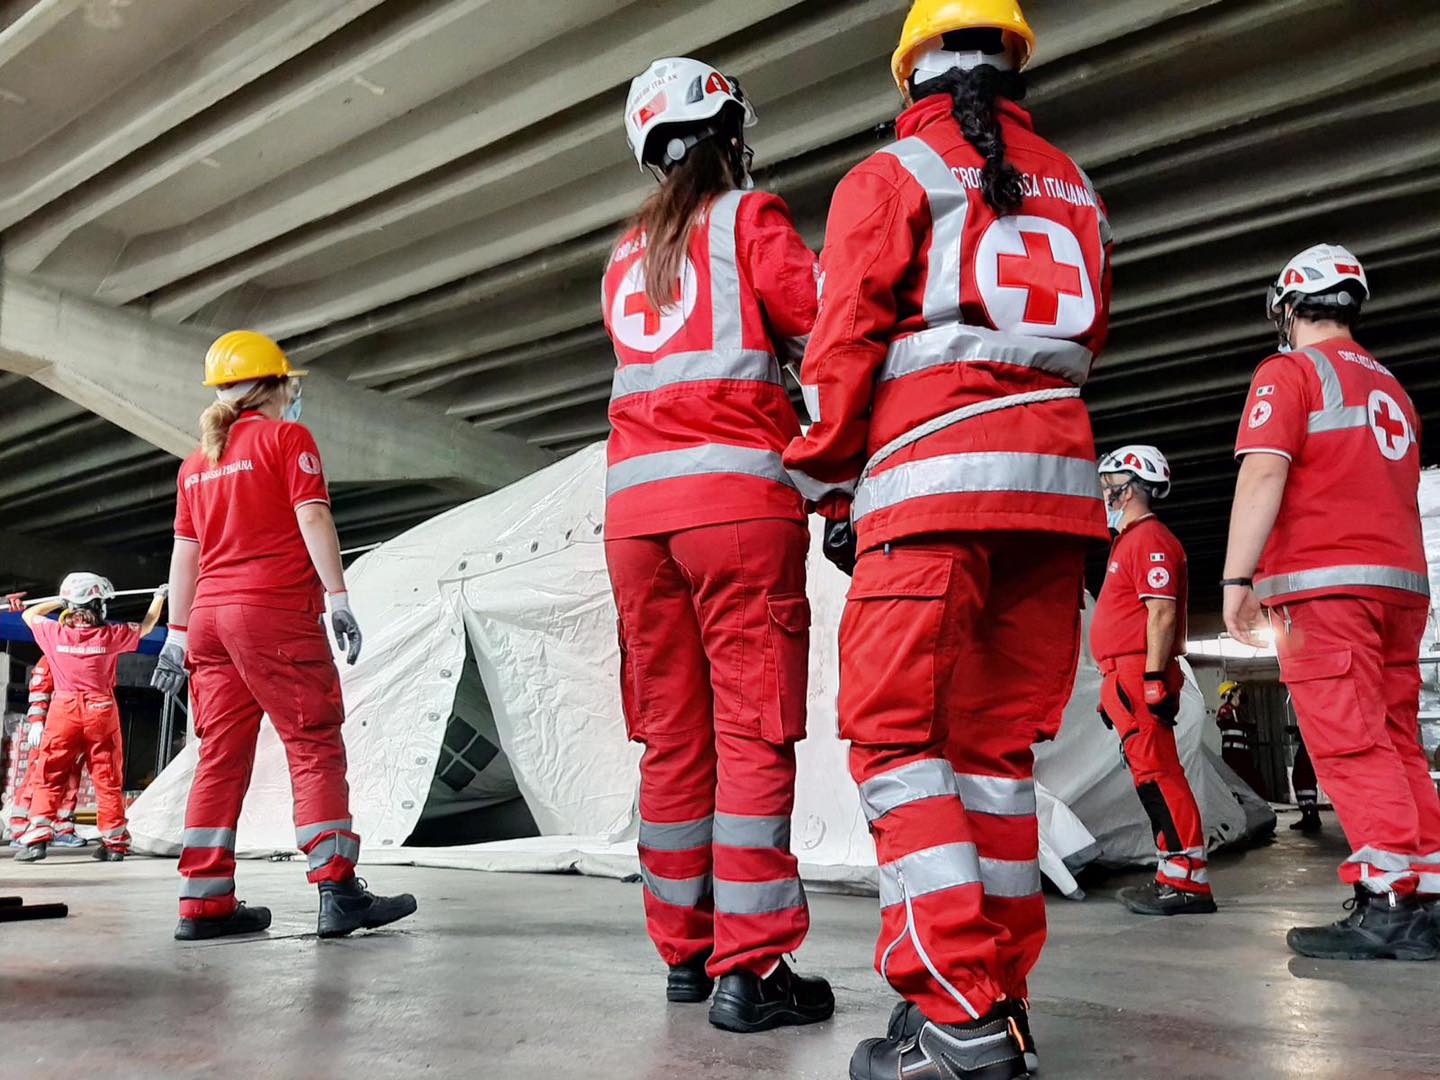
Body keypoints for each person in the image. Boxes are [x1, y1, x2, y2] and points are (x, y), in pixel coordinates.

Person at [784, 1, 1113, 1073]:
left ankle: (958, 1016)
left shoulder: (890, 175)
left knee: (894, 746)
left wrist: (827, 478)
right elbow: (1085, 336)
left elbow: (842, 347)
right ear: (1013, 63)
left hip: (929, 497)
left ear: (910, 72)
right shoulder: (1075, 184)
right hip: (1053, 500)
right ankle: (995, 997)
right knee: (992, 760)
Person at [602, 56, 833, 1034]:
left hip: (633, 525)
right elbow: (828, 336)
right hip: (736, 507)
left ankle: (686, 957)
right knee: (750, 728)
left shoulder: (622, 254)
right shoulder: (750, 220)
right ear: (732, 132)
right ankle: (754, 968)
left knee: (672, 735)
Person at [150, 330, 416, 942]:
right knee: (312, 739)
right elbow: (314, 515)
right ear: (273, 386)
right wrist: (340, 597)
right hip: (271, 613)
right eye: (290, 385)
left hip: (210, 622)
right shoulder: (285, 438)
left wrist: (176, 633)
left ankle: (204, 904)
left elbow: (184, 557)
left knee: (219, 756)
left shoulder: (197, 463)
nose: (295, 395)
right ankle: (337, 889)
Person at [1223, 243, 1440, 960]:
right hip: (1400, 588)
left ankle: (1385, 902)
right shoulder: (1393, 389)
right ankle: (1426, 892)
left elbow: (1263, 476)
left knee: (1349, 743)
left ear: (1288, 308)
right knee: (1396, 739)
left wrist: (1237, 579)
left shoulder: (1289, 372)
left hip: (1326, 589)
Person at [1092, 446, 1216, 917]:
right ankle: (1175, 872)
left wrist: (1148, 679)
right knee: (1150, 776)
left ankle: (1187, 879)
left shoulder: (1150, 539)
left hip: (1136, 670)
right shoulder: (1129, 541)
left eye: (1110, 483)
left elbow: (1161, 613)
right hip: (1123, 674)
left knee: (1159, 775)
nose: (1104, 492)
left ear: (1131, 486)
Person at [15, 574, 165, 863]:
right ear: (99, 607)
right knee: (107, 777)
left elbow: (29, 613)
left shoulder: (53, 635)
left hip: (63, 710)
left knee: (49, 775)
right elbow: (147, 625)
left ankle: (37, 841)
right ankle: (114, 843)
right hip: (101, 709)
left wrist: (60, 601)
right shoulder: (110, 636)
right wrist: (159, 597)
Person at [7, 657, 88, 850]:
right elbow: (39, 690)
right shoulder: (54, 653)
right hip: (51, 728)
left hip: (74, 727)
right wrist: (37, 722)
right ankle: (21, 827)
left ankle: (63, 827)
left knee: (71, 778)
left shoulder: (85, 653)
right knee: (39, 777)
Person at [1288, 726, 1322, 833]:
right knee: (1302, 779)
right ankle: (1311, 816)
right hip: (1309, 742)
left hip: (1308, 743)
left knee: (1303, 780)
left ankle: (1310, 817)